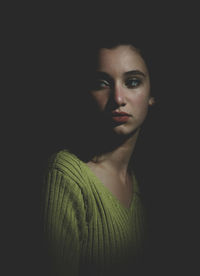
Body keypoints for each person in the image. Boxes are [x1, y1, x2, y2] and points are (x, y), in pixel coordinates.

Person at [41, 36, 155, 276]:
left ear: (152, 95)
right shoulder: (65, 175)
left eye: (132, 82)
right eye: (102, 83)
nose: (118, 99)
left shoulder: (142, 186)